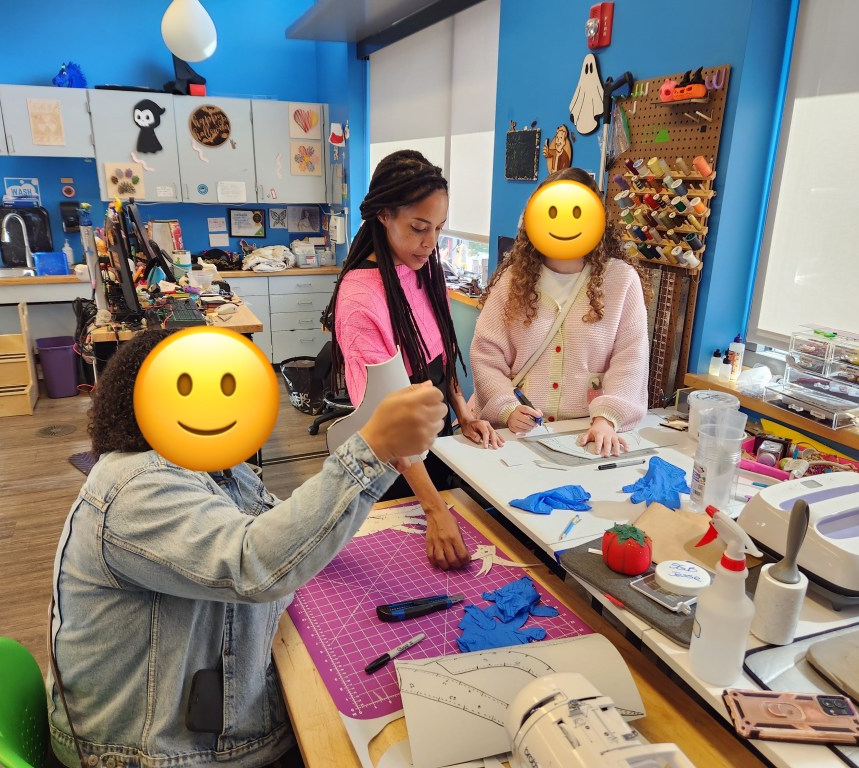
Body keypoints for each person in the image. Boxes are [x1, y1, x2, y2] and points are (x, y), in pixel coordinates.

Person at [47, 329, 447, 768]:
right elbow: (253, 562)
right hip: (145, 751)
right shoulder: (135, 486)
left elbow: (278, 526)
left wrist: (386, 459)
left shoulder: (209, 463)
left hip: (187, 725)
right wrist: (371, 449)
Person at [322, 149, 502, 571]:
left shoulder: (424, 269)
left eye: (438, 228)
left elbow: (440, 359)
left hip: (438, 444)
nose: (430, 243)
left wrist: (464, 411)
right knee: (399, 574)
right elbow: (383, 422)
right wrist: (433, 509)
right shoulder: (361, 296)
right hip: (395, 468)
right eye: (419, 228)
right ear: (384, 215)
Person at [471, 167, 649, 456]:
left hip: (589, 435)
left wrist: (607, 418)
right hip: (517, 437)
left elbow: (631, 358)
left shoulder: (621, 281)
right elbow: (486, 354)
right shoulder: (513, 281)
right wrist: (507, 408)